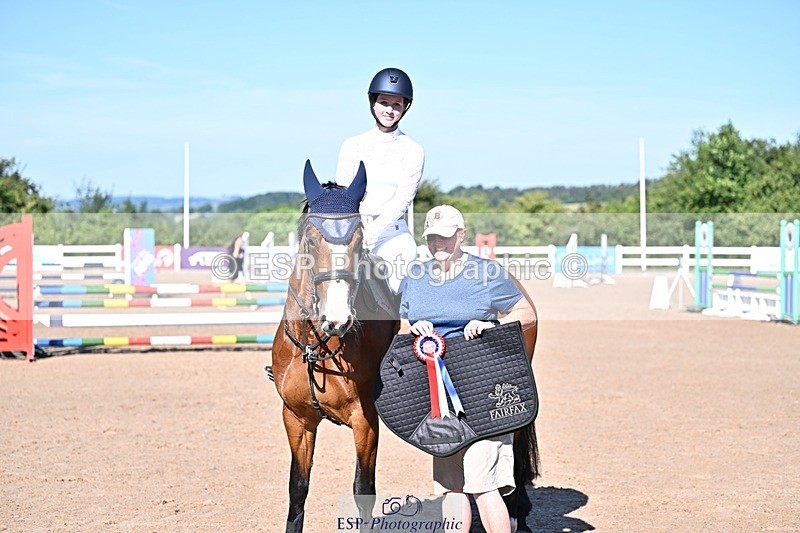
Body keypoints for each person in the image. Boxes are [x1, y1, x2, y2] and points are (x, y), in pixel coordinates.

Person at [398, 205, 537, 533]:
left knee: (484, 484)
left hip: (483, 388)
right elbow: (402, 326)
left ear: (461, 235)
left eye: (445, 237)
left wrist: (490, 326)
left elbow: (527, 314)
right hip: (438, 399)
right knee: (451, 487)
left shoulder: (487, 273)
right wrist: (416, 329)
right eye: (432, 238)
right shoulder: (414, 277)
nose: (439, 245)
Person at [335, 67, 425, 293]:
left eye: (397, 105)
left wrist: (372, 233)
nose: (390, 110)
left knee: (393, 291)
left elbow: (402, 199)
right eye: (384, 102)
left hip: (392, 237)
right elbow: (343, 192)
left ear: (405, 108)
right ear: (373, 103)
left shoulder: (413, 150)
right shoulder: (352, 145)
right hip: (353, 232)